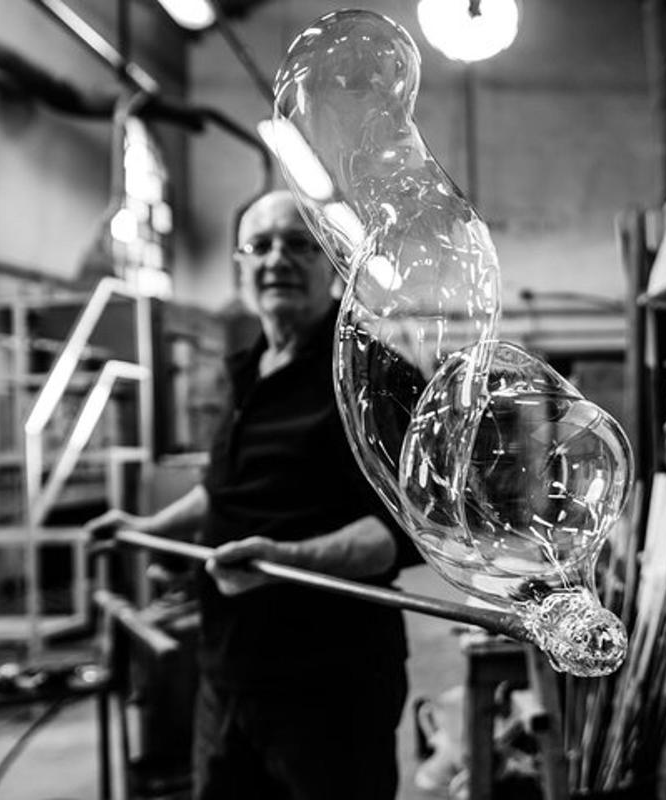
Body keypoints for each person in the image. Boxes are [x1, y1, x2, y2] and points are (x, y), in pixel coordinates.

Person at [87, 190, 420, 800]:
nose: (276, 260)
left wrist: (286, 561)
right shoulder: (247, 369)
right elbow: (223, 494)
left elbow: (401, 533)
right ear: (239, 266)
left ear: (335, 265)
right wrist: (143, 525)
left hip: (329, 684)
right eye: (258, 246)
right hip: (228, 667)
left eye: (298, 244)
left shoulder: (375, 377)